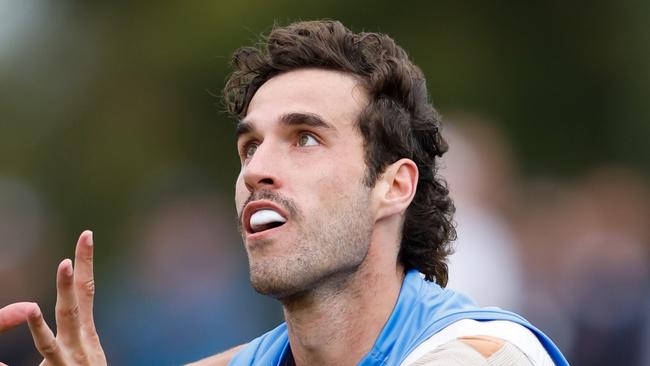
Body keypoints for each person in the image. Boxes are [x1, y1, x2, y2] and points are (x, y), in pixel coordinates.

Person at [0, 20, 568, 365]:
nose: (256, 170)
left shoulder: (483, 354)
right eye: (250, 147)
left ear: (393, 187)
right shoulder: (274, 356)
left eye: (305, 139)